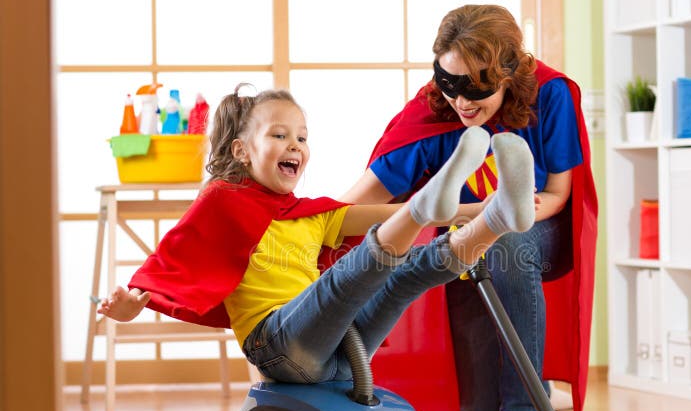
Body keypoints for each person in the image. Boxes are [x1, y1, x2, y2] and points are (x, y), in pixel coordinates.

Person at [97, 85, 541, 392]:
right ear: (241, 150)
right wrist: (136, 301)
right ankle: (432, 201)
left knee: (405, 273)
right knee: (348, 276)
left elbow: (391, 216)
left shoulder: (311, 215)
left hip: (340, 357)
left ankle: (499, 219)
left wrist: (479, 208)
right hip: (274, 345)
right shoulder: (223, 198)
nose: (295, 145)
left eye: (302, 137)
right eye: (279, 135)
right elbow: (177, 252)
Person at [339, 4, 598, 411]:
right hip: (465, 231)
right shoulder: (434, 111)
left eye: (476, 86)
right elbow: (360, 200)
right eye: (449, 82)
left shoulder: (550, 94)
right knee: (453, 253)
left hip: (537, 227)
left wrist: (510, 216)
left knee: (505, 244)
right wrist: (294, 219)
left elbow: (559, 195)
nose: (460, 101)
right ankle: (482, 410)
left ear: (507, 72)